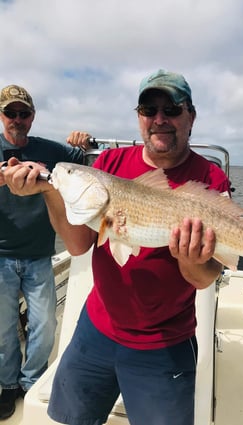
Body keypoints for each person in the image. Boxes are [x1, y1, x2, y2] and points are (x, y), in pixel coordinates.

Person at [3, 70, 231, 425]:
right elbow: (79, 246)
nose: (159, 119)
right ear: (138, 116)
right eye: (148, 109)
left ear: (191, 116)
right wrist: (49, 191)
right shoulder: (110, 165)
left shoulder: (211, 180)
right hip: (96, 328)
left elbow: (203, 279)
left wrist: (191, 261)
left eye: (171, 109)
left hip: (165, 342)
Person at [0, 84, 87, 420]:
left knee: (45, 324)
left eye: (24, 113)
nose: (17, 119)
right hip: (1, 255)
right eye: (11, 113)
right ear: (2, 116)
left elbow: (88, 160)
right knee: (4, 329)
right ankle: (8, 385)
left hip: (40, 255)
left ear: (33, 117)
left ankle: (31, 381)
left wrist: (83, 140)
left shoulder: (50, 151)